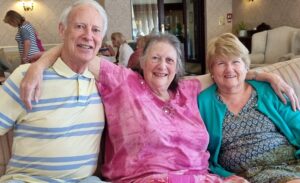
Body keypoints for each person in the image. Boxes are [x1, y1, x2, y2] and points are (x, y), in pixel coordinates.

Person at [19, 31, 299, 183]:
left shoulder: (189, 88)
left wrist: (266, 75)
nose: (162, 66)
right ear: (142, 62)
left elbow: (229, 72)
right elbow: (75, 51)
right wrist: (38, 67)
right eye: (155, 58)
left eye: (169, 60)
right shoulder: (123, 82)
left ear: (178, 66)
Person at [0, 0, 108, 182]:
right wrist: (38, 65)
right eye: (79, 26)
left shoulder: (104, 80)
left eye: (95, 30)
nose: (88, 36)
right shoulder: (27, 77)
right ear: (62, 30)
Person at [198, 33, 300, 183]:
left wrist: (268, 77)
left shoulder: (268, 90)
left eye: (236, 62)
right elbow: (198, 149)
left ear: (246, 66)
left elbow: (296, 122)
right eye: (221, 63)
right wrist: (225, 176)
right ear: (211, 71)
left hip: (290, 162)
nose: (229, 69)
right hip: (250, 174)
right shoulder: (203, 102)